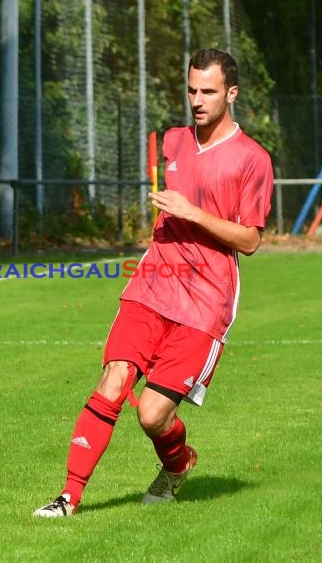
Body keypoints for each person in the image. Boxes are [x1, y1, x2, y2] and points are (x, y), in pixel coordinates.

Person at [33, 48, 274, 517]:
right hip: (153, 284)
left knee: (151, 414)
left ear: (232, 93)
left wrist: (192, 213)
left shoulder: (253, 159)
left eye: (208, 91)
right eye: (191, 89)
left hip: (207, 302)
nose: (197, 100)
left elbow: (249, 240)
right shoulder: (175, 141)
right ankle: (68, 497)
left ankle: (178, 465)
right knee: (112, 381)